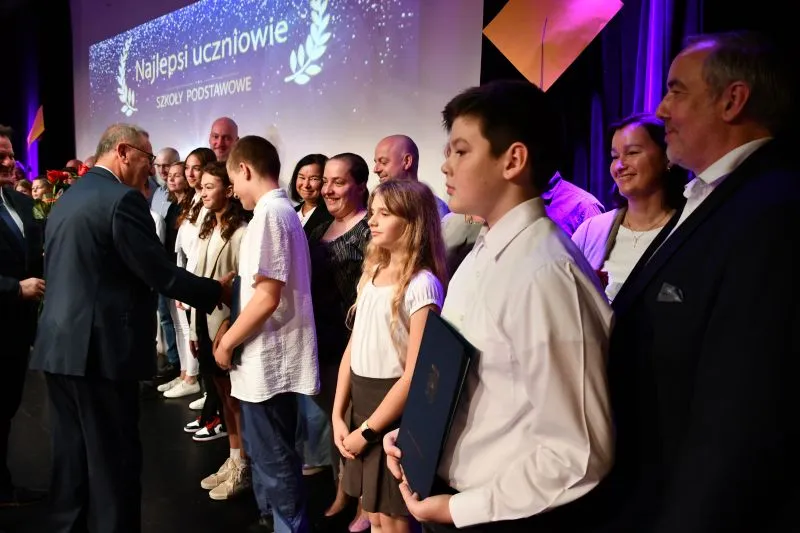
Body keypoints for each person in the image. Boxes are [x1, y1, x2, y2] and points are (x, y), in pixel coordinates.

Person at [383, 80, 614, 532]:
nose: (446, 165)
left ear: (513, 160)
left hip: (496, 513)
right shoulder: (484, 251)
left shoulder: (546, 273)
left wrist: (459, 510)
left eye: (461, 151)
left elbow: (579, 453)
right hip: (449, 490)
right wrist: (416, 432)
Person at [593, 31, 800, 533]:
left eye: (676, 91)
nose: (661, 109)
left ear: (732, 101)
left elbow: (743, 407)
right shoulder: (708, 196)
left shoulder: (773, 210)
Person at [29, 123, 232, 533]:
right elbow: (159, 272)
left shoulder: (69, 197)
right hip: (100, 353)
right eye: (147, 158)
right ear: (123, 152)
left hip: (58, 348)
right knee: (113, 463)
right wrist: (216, 290)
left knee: (71, 460)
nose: (152, 169)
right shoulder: (122, 200)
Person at [216, 135, 319, 533]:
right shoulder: (274, 212)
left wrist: (227, 342)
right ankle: (272, 518)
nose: (234, 191)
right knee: (267, 453)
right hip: (264, 357)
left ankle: (288, 526)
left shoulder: (271, 214)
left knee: (275, 457)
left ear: (244, 169)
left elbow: (266, 297)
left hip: (270, 360)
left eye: (233, 182)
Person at [333, 179, 447, 533]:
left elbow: (415, 374)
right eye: (373, 212)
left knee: (395, 518)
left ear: (411, 222)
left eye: (384, 213)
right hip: (362, 401)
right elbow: (354, 346)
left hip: (392, 411)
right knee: (375, 515)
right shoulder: (373, 271)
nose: (372, 220)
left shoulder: (421, 284)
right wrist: (338, 413)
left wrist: (367, 431)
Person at [571, 113, 687, 301]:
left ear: (668, 157)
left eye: (632, 153)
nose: (619, 166)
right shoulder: (591, 231)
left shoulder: (689, 229)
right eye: (614, 156)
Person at [190, 161, 251, 500]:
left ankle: (245, 466)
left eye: (209, 186)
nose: (202, 192)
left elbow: (242, 287)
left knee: (234, 399)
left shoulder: (241, 232)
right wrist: (194, 330)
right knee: (223, 397)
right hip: (205, 320)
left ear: (229, 190)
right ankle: (234, 457)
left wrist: (228, 328)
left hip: (226, 325)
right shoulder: (207, 227)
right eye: (201, 187)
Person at [0, 125, 45, 506]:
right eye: (0, 156)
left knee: (6, 410)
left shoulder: (18, 201)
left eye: (11, 155)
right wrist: (14, 288)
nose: (8, 162)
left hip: (16, 332)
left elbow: (40, 244)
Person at [373, 135, 450, 218]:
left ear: (407, 161)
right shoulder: (376, 203)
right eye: (376, 162)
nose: (375, 169)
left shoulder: (435, 211)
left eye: (383, 162)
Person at [290, 153, 333, 237]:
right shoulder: (290, 212)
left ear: (326, 181)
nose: (306, 185)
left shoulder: (331, 217)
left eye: (314, 179)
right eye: (302, 178)